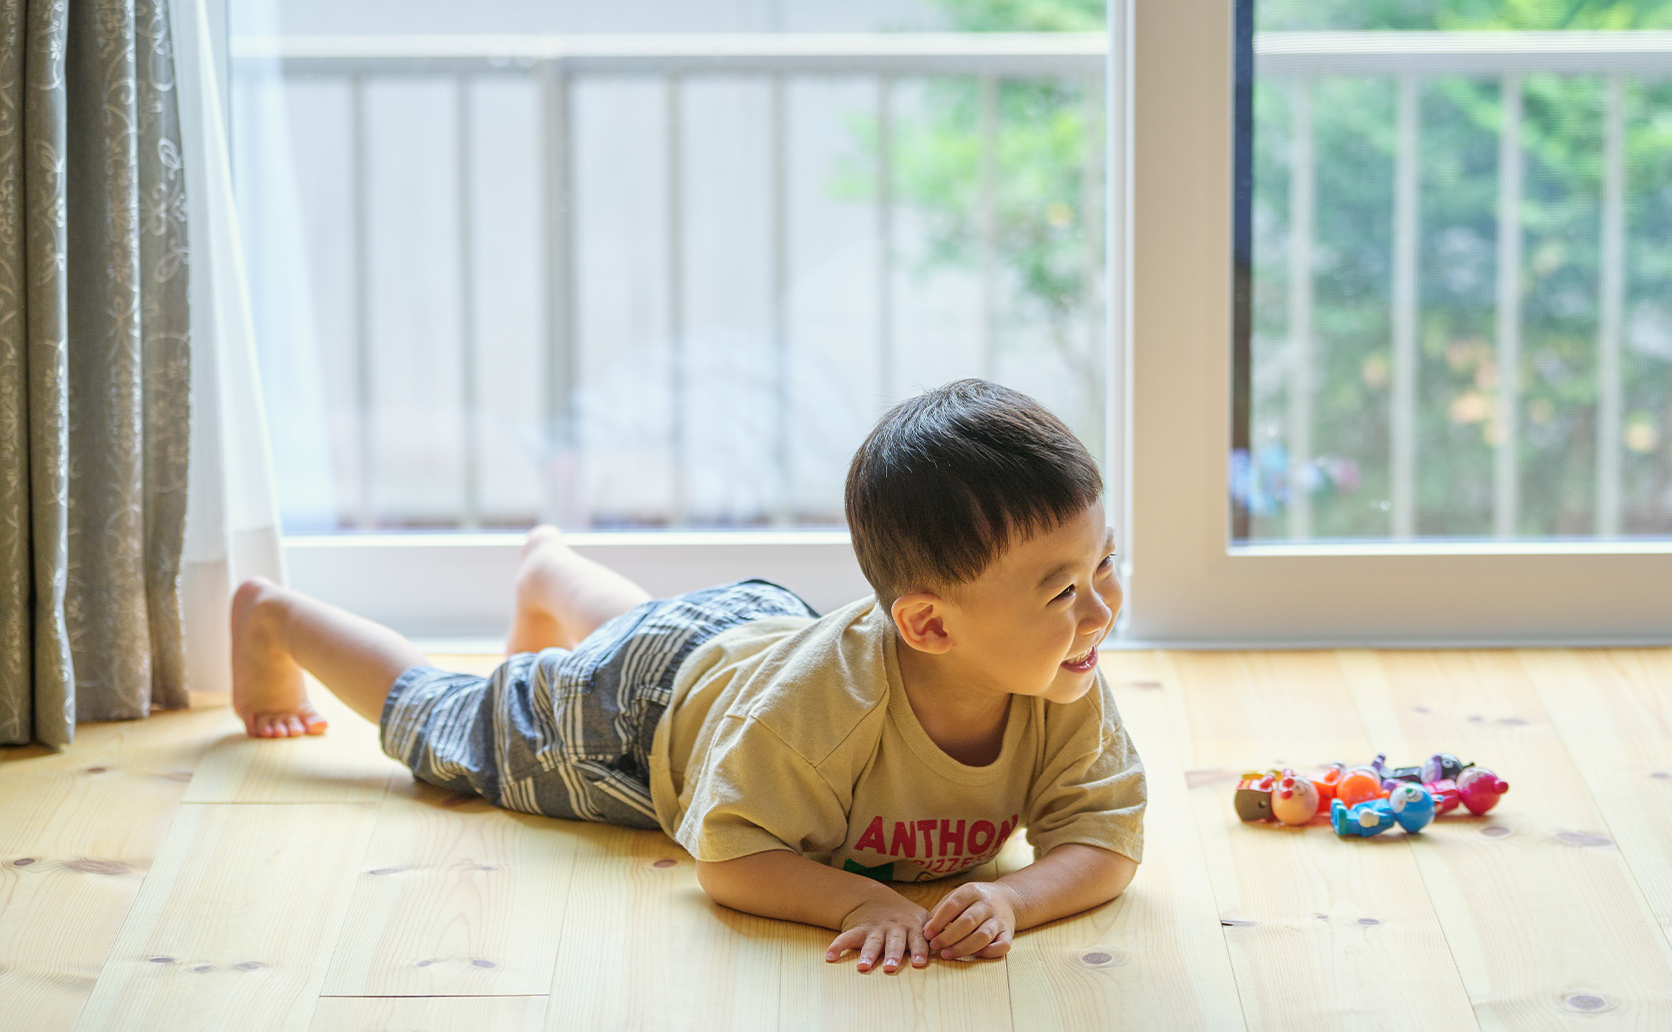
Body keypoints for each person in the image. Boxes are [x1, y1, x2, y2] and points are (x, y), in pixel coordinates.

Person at [229, 379, 1145, 975]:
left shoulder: (1064, 670)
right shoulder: (822, 716)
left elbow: (1105, 838)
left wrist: (1014, 898)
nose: (1101, 610)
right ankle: (275, 616)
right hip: (638, 718)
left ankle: (549, 570)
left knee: (641, 629)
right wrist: (862, 899)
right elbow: (731, 857)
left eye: (1104, 563)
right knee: (450, 727)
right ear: (930, 624)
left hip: (743, 642)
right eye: (1064, 590)